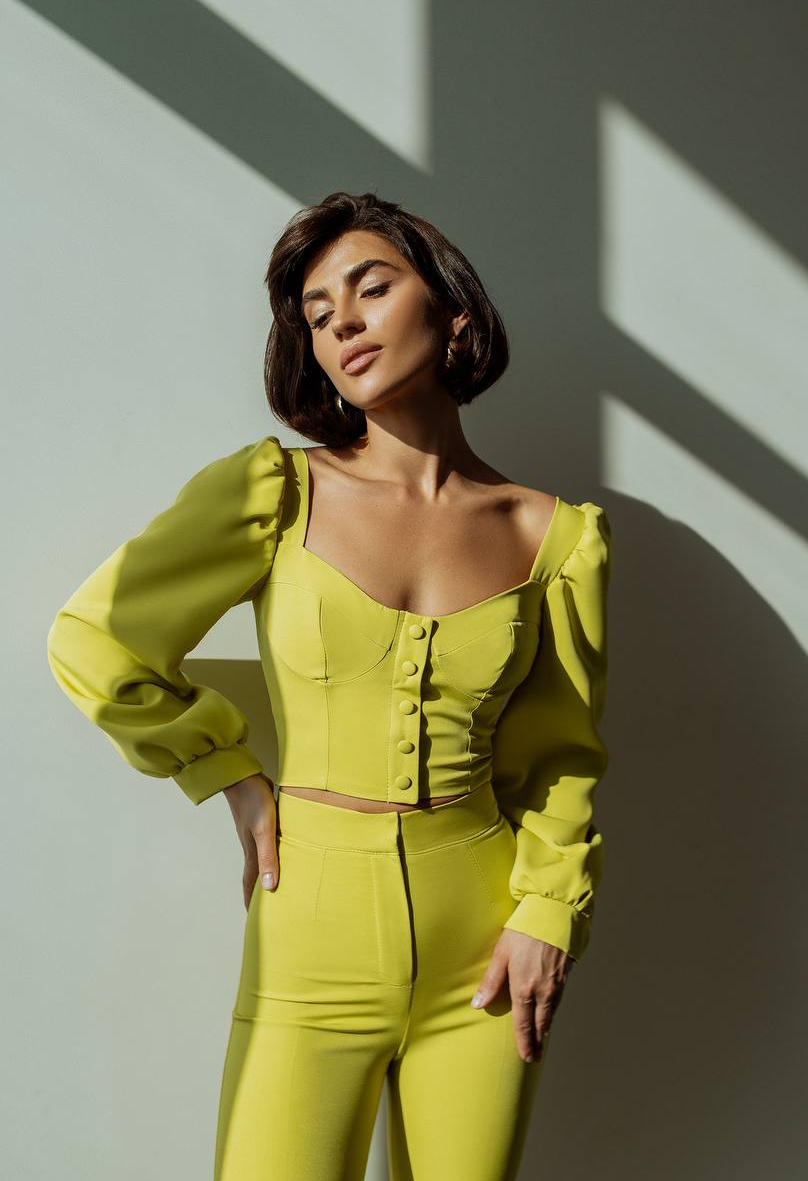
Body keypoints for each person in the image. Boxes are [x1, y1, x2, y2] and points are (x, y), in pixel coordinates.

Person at [46, 190, 613, 1181]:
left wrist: (547, 915)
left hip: (482, 943)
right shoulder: (271, 492)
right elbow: (96, 637)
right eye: (315, 314)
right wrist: (227, 768)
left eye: (370, 286)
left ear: (454, 312)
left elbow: (560, 752)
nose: (341, 321)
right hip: (308, 929)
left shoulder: (553, 536)